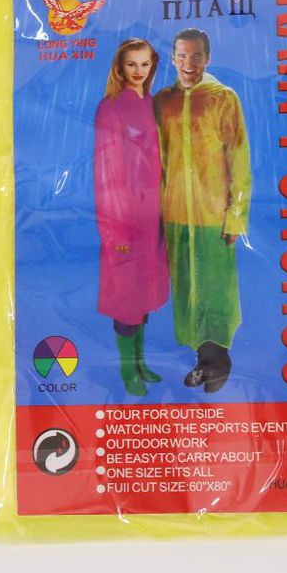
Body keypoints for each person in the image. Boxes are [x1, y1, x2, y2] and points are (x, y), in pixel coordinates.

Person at [152, 28, 250, 393]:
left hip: (213, 215)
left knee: (215, 289)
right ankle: (200, 359)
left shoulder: (223, 98)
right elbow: (156, 160)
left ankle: (218, 362)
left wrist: (235, 215)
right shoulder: (163, 101)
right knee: (187, 290)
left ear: (207, 59)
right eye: (181, 55)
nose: (188, 63)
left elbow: (239, 157)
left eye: (196, 56)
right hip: (175, 213)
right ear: (173, 58)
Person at [93, 38, 168, 396]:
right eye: (131, 64)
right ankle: (127, 371)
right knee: (126, 301)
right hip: (125, 219)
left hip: (154, 217)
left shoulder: (154, 105)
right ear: (119, 68)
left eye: (144, 64)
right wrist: (115, 231)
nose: (138, 71)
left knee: (144, 297)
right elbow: (107, 171)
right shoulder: (110, 108)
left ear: (153, 66)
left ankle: (140, 362)